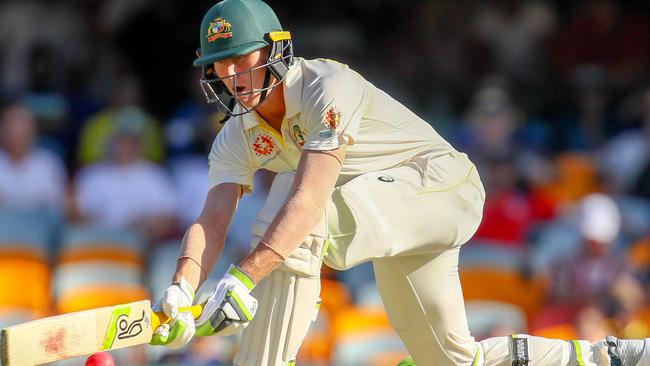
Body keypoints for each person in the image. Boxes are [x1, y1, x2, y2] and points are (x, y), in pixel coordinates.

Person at [150, 1, 650, 365]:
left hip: (440, 188)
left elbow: (308, 200)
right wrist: (182, 285)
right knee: (454, 362)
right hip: (382, 213)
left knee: (291, 210)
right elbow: (211, 220)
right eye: (221, 64)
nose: (232, 75)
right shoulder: (238, 133)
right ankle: (609, 356)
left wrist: (241, 280)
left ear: (276, 51)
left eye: (243, 59)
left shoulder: (328, 85)